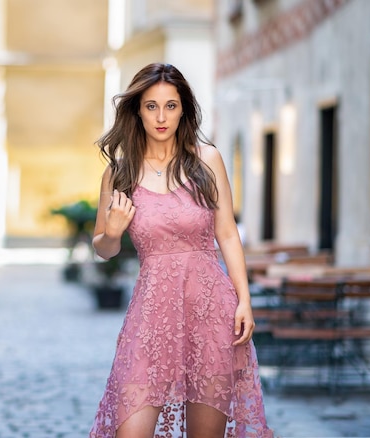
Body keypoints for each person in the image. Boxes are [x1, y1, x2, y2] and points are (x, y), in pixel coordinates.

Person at [88, 63, 273, 438]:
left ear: (184, 109)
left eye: (170, 106)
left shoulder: (207, 160)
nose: (161, 116)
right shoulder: (119, 174)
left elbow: (227, 234)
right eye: (151, 106)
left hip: (210, 312)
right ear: (137, 110)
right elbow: (103, 249)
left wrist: (244, 300)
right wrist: (112, 231)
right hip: (152, 316)